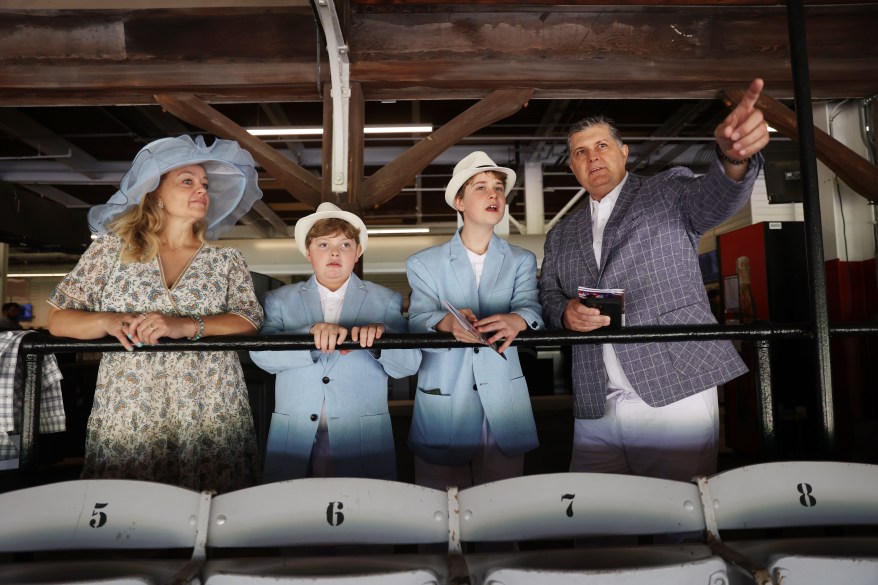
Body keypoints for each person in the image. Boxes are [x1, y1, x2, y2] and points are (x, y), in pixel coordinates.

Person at [539, 78, 770, 482]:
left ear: (624, 152)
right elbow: (549, 293)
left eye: (601, 146)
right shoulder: (561, 233)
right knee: (597, 524)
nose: (592, 157)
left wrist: (733, 159)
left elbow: (716, 198)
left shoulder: (668, 191)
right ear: (572, 167)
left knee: (680, 520)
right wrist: (565, 313)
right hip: (597, 399)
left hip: (672, 387)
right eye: (580, 152)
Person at [47, 135, 265, 493]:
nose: (201, 190)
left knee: (212, 507)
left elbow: (248, 319)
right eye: (187, 181)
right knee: (126, 510)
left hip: (209, 400)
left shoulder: (225, 260)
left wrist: (185, 326)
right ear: (155, 192)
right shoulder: (109, 251)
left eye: (205, 184)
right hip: (131, 400)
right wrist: (108, 320)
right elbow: (58, 317)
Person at [250, 202, 421, 483]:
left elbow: (409, 365)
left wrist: (380, 342)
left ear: (358, 252)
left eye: (344, 244)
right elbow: (262, 357)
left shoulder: (386, 299)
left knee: (363, 518)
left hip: (362, 437)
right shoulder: (278, 300)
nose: (334, 252)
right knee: (291, 520)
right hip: (294, 435)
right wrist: (310, 337)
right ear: (308, 252)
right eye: (323, 244)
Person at [406, 151, 544, 490]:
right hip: (445, 400)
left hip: (504, 403)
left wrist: (519, 320)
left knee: (503, 518)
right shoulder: (423, 263)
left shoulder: (522, 260)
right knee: (439, 513)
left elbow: (532, 308)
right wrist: (445, 324)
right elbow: (417, 320)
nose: (494, 195)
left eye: (498, 188)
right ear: (459, 202)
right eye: (480, 187)